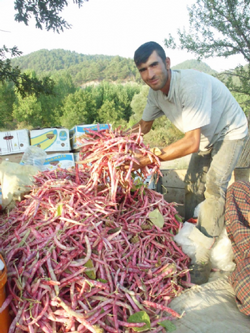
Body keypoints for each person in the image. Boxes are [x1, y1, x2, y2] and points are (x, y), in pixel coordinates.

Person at [131, 41, 249, 284]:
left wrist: (144, 159)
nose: (150, 74)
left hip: (230, 132)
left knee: (214, 188)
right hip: (206, 137)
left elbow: (191, 143)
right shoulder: (156, 94)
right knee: (192, 187)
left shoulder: (190, 85)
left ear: (167, 63)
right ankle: (188, 240)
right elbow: (144, 127)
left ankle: (202, 258)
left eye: (154, 65)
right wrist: (118, 143)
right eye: (143, 69)